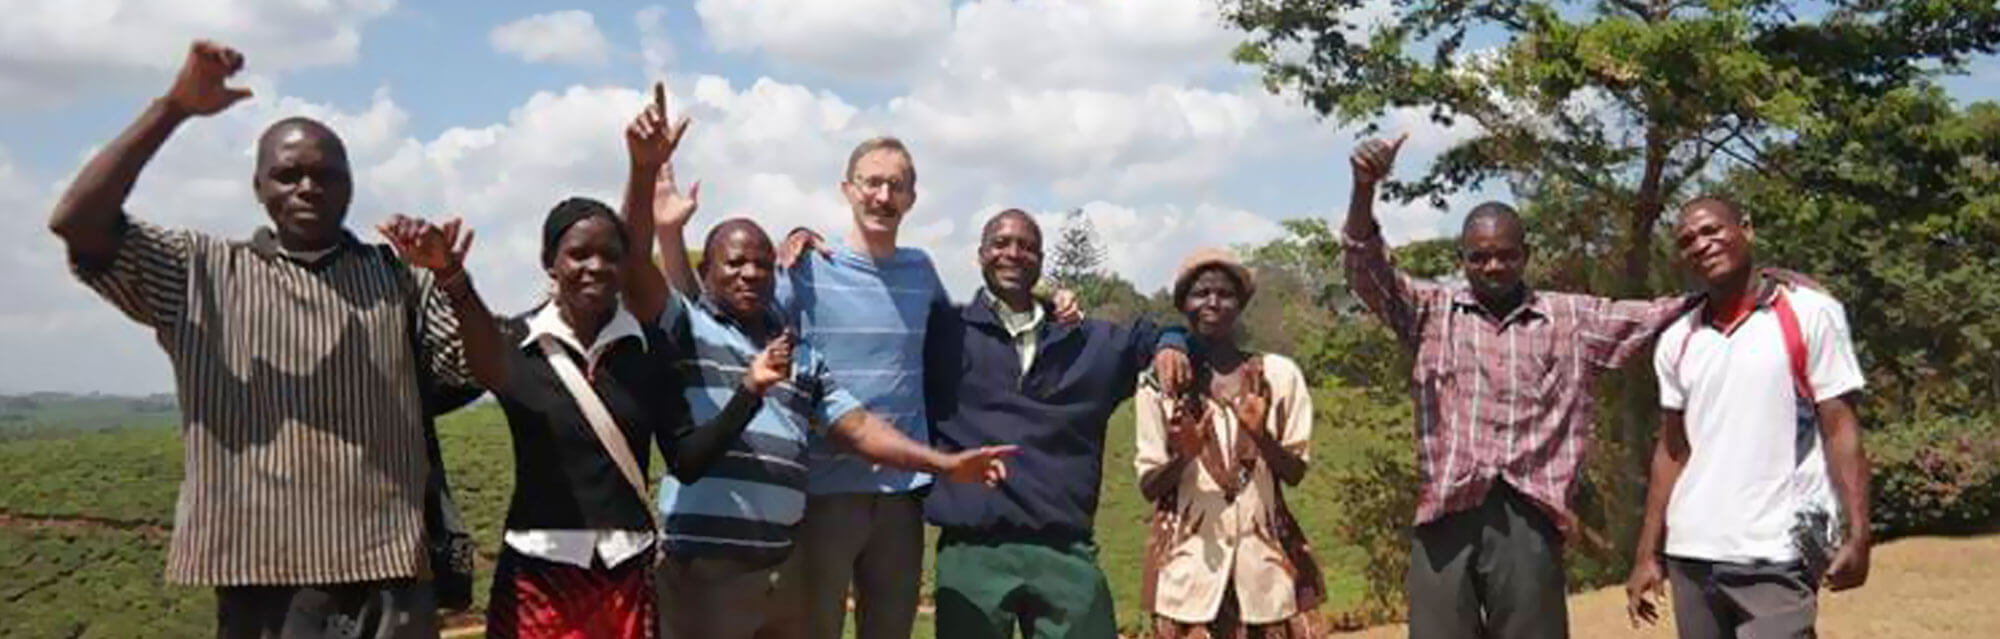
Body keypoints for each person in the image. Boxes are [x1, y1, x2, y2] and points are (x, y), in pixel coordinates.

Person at [48, 40, 465, 638]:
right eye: (287, 174)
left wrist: (454, 278)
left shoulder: (398, 277)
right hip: (262, 574)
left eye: (325, 175)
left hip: (387, 570)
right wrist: (173, 108)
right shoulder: (200, 272)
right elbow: (77, 222)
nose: (306, 187)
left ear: (349, 186)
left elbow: (474, 368)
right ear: (258, 188)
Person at [619, 91, 1016, 639]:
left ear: (913, 197)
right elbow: (695, 314)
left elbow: (962, 336)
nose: (882, 195)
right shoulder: (802, 268)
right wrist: (665, 226)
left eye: (895, 185)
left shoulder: (918, 273)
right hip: (819, 492)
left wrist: (1049, 306)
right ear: (847, 190)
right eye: (871, 182)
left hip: (895, 494)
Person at [1343, 134, 1701, 639]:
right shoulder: (1428, 311)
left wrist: (1739, 284)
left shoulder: (1569, 318)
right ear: (1462, 258)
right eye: (1479, 257)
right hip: (1446, 514)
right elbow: (1366, 268)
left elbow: (1650, 319)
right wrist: (1363, 188)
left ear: (1525, 255)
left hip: (1528, 517)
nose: (1493, 267)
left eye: (1505, 256)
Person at [921, 210, 1190, 639]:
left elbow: (1156, 334)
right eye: (1001, 243)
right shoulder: (943, 335)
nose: (1013, 253)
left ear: (1041, 261)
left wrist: (1171, 344)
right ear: (980, 256)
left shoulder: (1086, 344)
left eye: (1026, 246)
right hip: (972, 549)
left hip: (1065, 549)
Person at [1624, 197, 1871, 639]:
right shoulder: (1678, 340)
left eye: (1712, 231)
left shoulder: (1810, 314)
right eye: (1687, 241)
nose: (1701, 244)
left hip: (1776, 554)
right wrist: (1647, 554)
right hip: (1693, 557)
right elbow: (1672, 451)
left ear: (1747, 229)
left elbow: (1841, 428)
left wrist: (1858, 530)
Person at [1134, 249, 1325, 638]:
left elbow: (1295, 472)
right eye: (1200, 294)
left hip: (1265, 568)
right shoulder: (1159, 386)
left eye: (1225, 294)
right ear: (1183, 305)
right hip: (1189, 571)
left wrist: (1260, 436)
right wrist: (1185, 455)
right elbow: (1149, 485)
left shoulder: (1278, 375)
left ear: (1241, 304)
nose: (1213, 303)